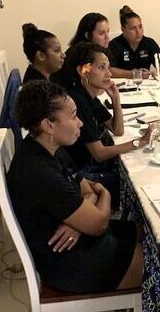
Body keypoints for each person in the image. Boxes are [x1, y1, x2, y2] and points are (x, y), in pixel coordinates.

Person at [7, 80, 142, 312]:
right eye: (73, 116)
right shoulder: (40, 172)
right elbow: (99, 222)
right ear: (49, 125)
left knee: (142, 230)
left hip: (76, 241)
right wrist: (103, 195)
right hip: (69, 262)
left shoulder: (48, 148)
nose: (80, 122)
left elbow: (87, 190)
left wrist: (79, 220)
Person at [64, 42, 152, 201]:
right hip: (81, 174)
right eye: (101, 67)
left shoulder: (89, 96)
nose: (109, 74)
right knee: (138, 183)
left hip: (90, 165)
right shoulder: (78, 102)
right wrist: (140, 142)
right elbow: (99, 154)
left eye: (108, 68)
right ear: (83, 70)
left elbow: (117, 130)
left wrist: (116, 99)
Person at [51, 12, 112, 87]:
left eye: (108, 31)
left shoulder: (102, 51)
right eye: (101, 33)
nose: (107, 37)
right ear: (88, 35)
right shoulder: (79, 54)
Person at [108, 5, 160, 79]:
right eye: (133, 28)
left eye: (140, 27)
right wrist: (135, 74)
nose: (138, 32)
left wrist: (157, 72)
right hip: (122, 84)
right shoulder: (114, 45)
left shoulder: (149, 43)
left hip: (145, 84)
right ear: (123, 29)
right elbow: (109, 70)